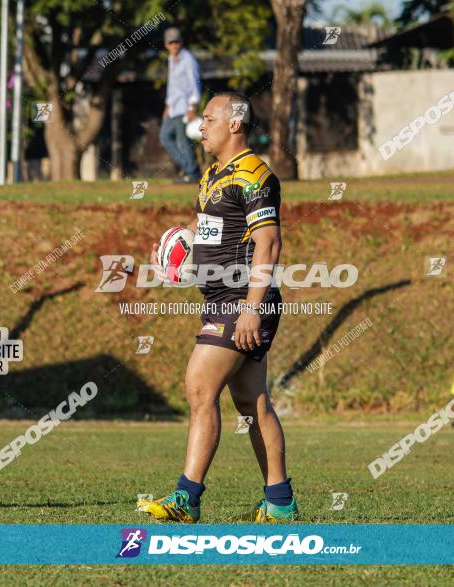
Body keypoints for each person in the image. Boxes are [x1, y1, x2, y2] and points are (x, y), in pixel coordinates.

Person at [138, 92, 297, 523]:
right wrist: (174, 249)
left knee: (199, 386)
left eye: (208, 119)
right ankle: (280, 502)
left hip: (243, 301)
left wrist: (251, 308)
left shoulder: (255, 176)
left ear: (234, 124)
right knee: (253, 403)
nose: (200, 126)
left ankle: (186, 498)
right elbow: (201, 229)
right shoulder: (212, 175)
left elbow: (269, 242)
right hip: (222, 301)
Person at [160, 27, 202, 183]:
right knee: (164, 136)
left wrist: (192, 106)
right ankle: (188, 168)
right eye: (171, 42)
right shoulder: (171, 60)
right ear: (166, 45)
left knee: (183, 141)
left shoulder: (188, 59)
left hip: (185, 108)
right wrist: (167, 106)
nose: (174, 45)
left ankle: (192, 173)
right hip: (173, 107)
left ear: (181, 42)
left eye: (177, 42)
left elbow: (194, 83)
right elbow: (172, 86)